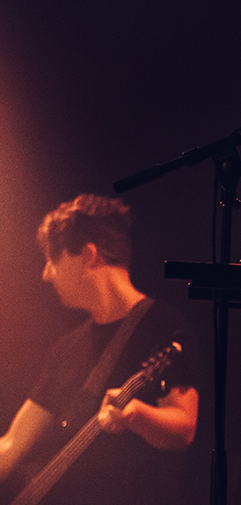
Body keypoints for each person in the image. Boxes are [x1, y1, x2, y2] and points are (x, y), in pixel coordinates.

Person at [0, 194, 199, 505]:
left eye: (54, 257)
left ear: (88, 255)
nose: (46, 273)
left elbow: (184, 427)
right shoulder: (67, 348)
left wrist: (136, 416)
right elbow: (13, 445)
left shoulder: (163, 325)